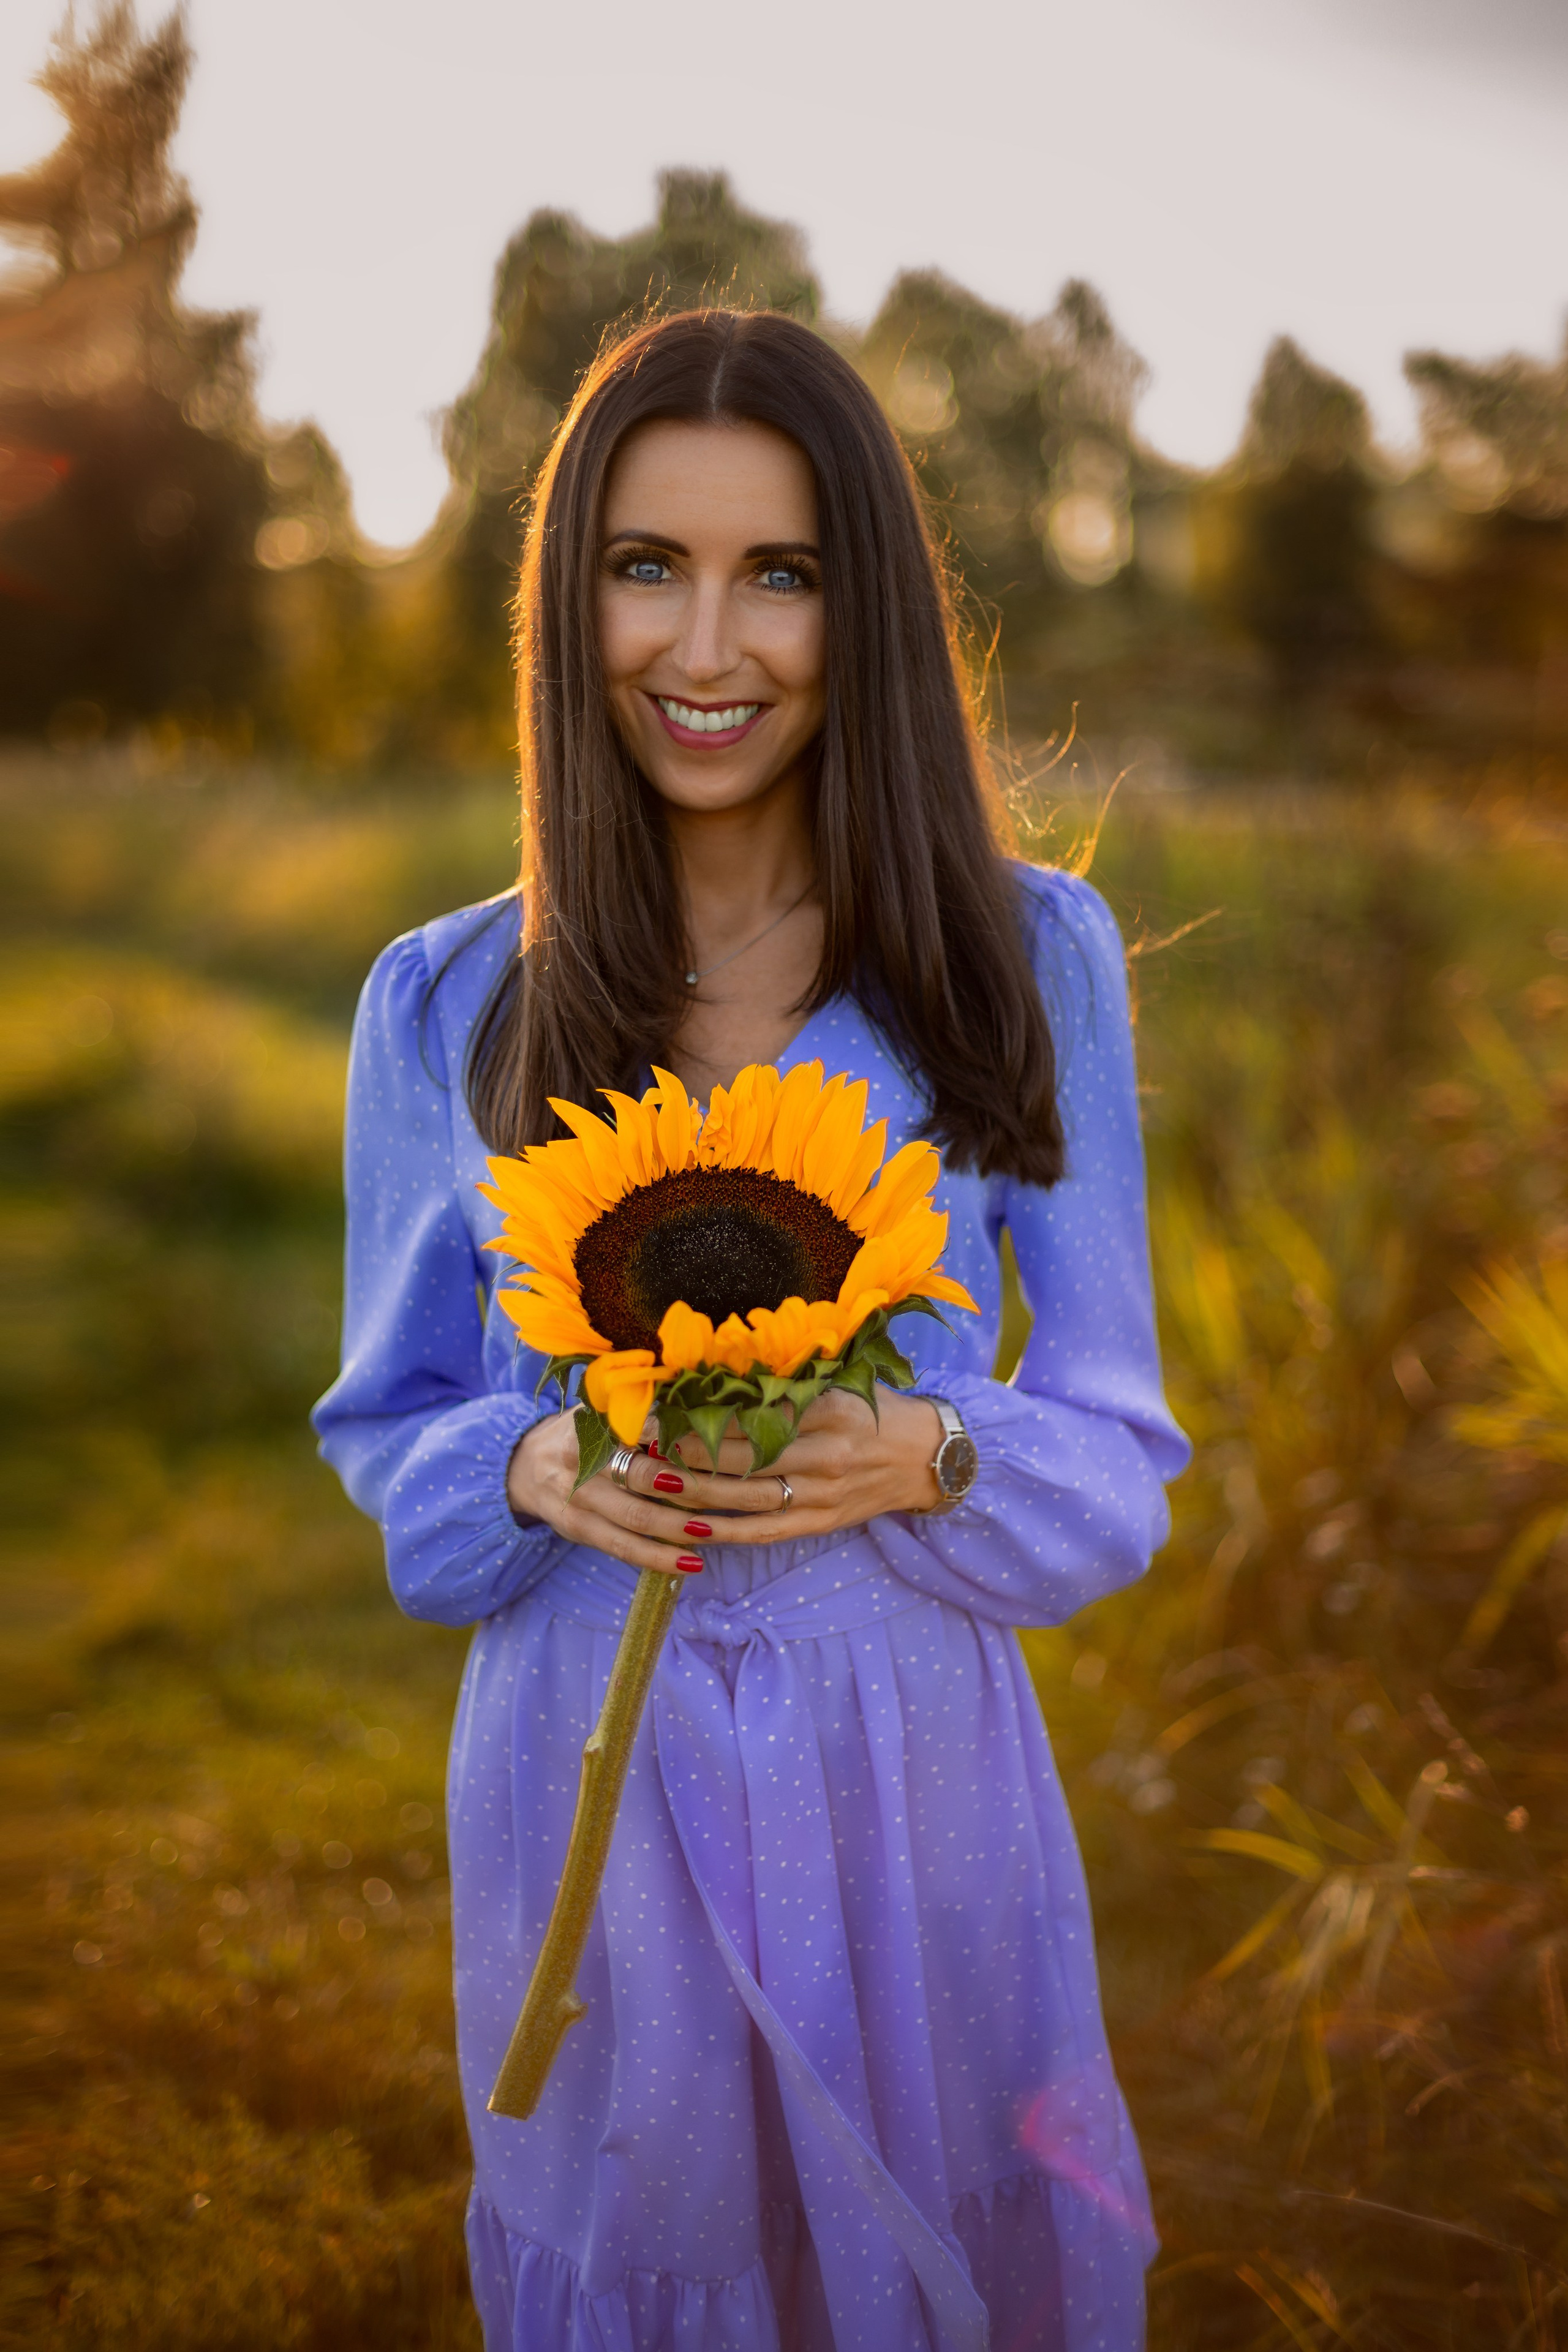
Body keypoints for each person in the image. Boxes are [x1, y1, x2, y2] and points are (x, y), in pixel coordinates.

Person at [313, 306, 1189, 2352]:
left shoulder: (1024, 955)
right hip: (585, 1780)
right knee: (661, 2248)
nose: (707, 647)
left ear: (855, 604)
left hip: (921, 1770)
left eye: (776, 574)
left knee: (946, 2243)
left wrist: (938, 1450)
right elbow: (394, 1432)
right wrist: (535, 1462)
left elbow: (1119, 1433)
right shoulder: (445, 1005)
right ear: (570, 600)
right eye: (648, 566)